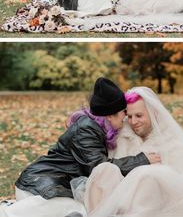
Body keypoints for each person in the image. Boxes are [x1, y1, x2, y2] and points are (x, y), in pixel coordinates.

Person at [0, 79, 159, 217]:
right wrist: (141, 160)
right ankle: (8, 210)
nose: (126, 118)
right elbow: (99, 166)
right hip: (38, 186)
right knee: (81, 211)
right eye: (123, 113)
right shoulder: (86, 130)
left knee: (84, 210)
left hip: (52, 186)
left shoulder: (94, 128)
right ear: (110, 115)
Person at [82, 87, 183, 217]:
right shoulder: (122, 137)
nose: (133, 122)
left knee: (150, 173)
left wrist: (149, 174)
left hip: (160, 205)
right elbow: (114, 174)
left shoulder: (173, 141)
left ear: (153, 114)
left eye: (139, 115)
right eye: (129, 116)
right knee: (104, 169)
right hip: (122, 201)